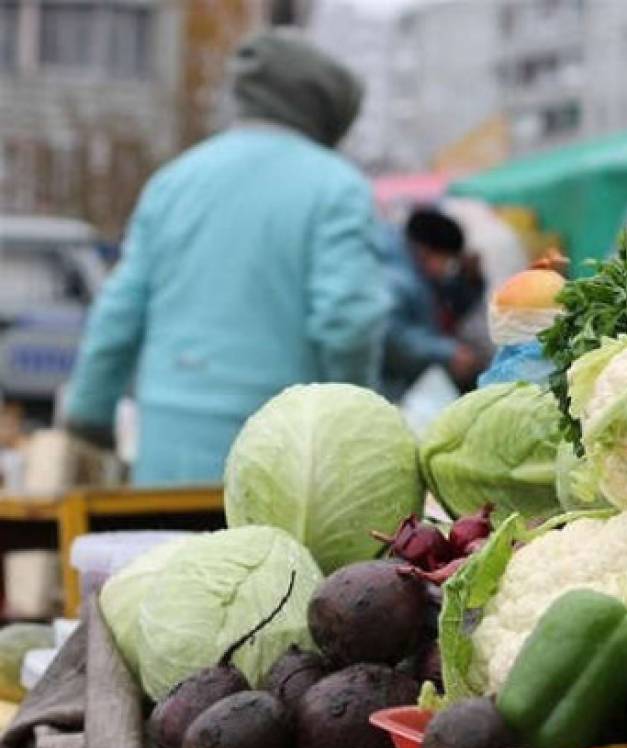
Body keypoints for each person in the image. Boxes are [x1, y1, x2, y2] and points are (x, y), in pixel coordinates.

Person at [63, 30, 388, 485]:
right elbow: (346, 320)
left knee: (175, 556)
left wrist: (89, 412)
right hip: (286, 452)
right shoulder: (336, 186)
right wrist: (358, 426)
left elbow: (120, 308)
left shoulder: (174, 180)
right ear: (326, 112)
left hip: (168, 443)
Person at [379, 207, 491, 401]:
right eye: (447, 262)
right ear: (426, 252)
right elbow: (391, 335)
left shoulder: (414, 273)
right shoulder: (397, 280)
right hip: (393, 389)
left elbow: (455, 304)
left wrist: (472, 281)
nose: (447, 271)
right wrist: (447, 352)